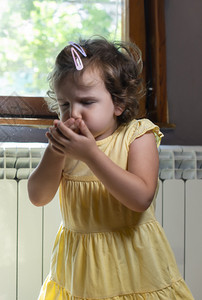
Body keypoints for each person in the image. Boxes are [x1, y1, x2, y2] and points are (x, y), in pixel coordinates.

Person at [28, 37, 194, 299]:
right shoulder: (66, 148)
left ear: (118, 103)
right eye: (65, 104)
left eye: (87, 102)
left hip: (132, 263)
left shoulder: (138, 136)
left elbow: (141, 198)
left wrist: (91, 155)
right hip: (81, 269)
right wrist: (54, 151)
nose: (74, 114)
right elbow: (38, 197)